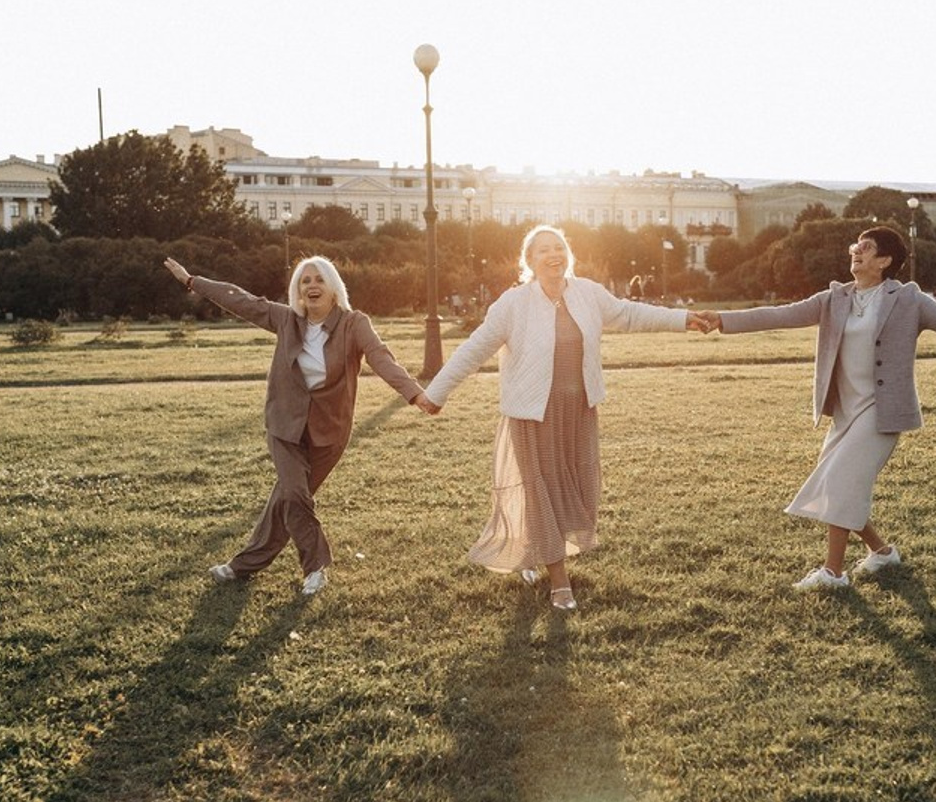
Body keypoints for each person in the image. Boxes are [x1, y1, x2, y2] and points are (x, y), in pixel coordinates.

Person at [691, 227, 936, 589]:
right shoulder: (834, 298)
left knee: (841, 481)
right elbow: (780, 315)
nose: (856, 251)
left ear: (885, 261)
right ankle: (882, 552)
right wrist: (723, 320)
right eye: (856, 245)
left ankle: (833, 573)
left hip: (882, 413)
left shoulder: (909, 300)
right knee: (846, 484)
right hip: (845, 413)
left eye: (867, 248)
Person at [416, 225, 706, 611]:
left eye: (559, 248)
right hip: (533, 414)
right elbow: (475, 348)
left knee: (579, 492)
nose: (553, 255)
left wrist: (685, 318)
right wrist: (437, 393)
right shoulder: (514, 303)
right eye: (543, 251)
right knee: (541, 494)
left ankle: (536, 550)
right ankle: (559, 581)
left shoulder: (587, 294)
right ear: (529, 261)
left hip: (578, 412)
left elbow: (631, 314)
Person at [164, 255, 424, 595]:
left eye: (319, 279)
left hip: (328, 432)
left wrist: (415, 395)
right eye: (305, 280)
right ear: (298, 290)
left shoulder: (353, 324)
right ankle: (315, 566)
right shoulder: (286, 320)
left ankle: (243, 565)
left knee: (287, 500)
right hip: (284, 425)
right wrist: (192, 281)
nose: (312, 286)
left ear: (333, 287)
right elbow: (239, 298)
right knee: (294, 494)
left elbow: (380, 357)